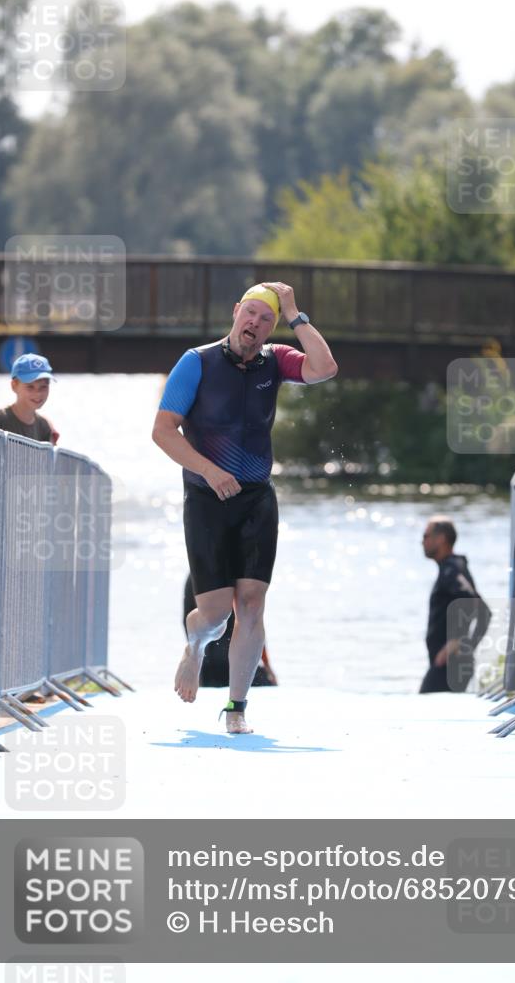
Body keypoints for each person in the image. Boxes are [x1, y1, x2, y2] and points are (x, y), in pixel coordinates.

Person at [152, 281, 337, 733]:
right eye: (250, 313)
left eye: (266, 318)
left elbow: (325, 367)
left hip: (256, 497)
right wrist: (210, 471)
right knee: (214, 615)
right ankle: (194, 647)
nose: (255, 324)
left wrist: (295, 312)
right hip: (206, 498)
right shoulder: (196, 363)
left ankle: (237, 709)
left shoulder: (275, 361)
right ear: (236, 312)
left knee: (252, 604)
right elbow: (162, 431)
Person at [420, 515, 491, 694]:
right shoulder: (450, 568)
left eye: (426, 536)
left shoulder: (452, 570)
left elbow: (482, 610)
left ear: (441, 539)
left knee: (423, 706)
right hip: (448, 664)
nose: (422, 542)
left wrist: (459, 643)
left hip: (450, 665)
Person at [181, 574, 277, 687]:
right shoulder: (241, 573)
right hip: (233, 664)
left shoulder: (197, 572)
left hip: (207, 666)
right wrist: (267, 666)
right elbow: (252, 624)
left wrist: (193, 656)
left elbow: (188, 625)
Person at [0, 353, 59, 444]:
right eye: (30, 387)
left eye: (43, 387)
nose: (38, 393)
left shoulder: (44, 426)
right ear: (14, 385)